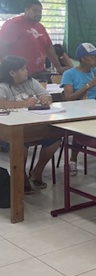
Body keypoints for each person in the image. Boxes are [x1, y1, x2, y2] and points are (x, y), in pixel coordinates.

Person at [0, 56, 61, 194]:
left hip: (34, 124)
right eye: (22, 69)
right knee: (19, 146)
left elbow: (48, 96)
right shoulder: (2, 86)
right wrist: (24, 103)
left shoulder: (30, 82)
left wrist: (46, 99)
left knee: (55, 140)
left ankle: (37, 171)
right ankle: (21, 177)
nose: (26, 71)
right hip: (11, 129)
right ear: (12, 73)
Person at [61, 43, 96, 176]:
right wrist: (87, 86)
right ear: (83, 58)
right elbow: (68, 98)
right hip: (76, 110)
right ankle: (72, 160)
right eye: (93, 57)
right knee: (82, 128)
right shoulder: (69, 74)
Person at [0, 0, 68, 79]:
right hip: (19, 73)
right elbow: (2, 45)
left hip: (40, 71)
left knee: (42, 91)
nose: (38, 14)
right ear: (26, 10)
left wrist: (58, 67)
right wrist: (5, 68)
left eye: (40, 11)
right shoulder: (14, 24)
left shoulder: (40, 27)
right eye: (35, 11)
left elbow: (49, 48)